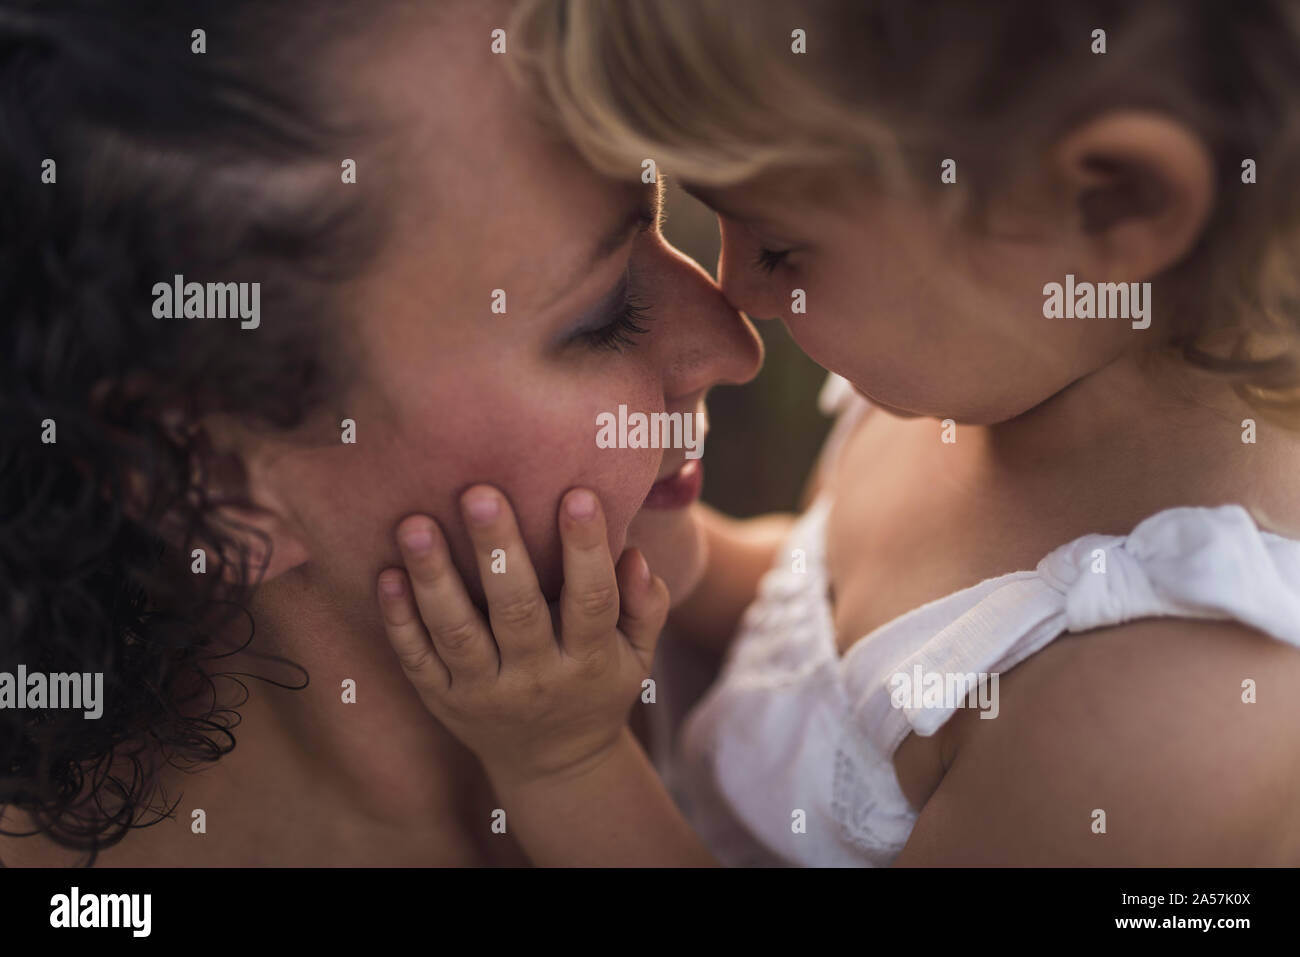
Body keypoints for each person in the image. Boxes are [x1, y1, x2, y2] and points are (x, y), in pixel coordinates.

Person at [379, 0, 1300, 865]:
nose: (732, 295)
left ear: (1112, 205)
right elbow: (830, 648)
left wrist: (563, 762)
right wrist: (658, 541)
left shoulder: (1157, 707)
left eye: (781, 247)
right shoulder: (983, 377)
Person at [0, 0, 760, 866]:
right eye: (603, 316)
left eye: (658, 210)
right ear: (214, 473)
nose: (735, 347)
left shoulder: (806, 634)